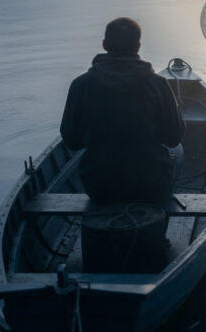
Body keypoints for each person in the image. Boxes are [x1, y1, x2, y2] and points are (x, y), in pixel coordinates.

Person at [60, 17, 185, 204]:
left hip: (98, 187)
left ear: (104, 45)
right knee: (179, 151)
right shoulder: (158, 84)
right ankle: (161, 213)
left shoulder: (80, 85)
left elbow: (71, 141)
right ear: (138, 47)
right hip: (150, 184)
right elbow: (173, 138)